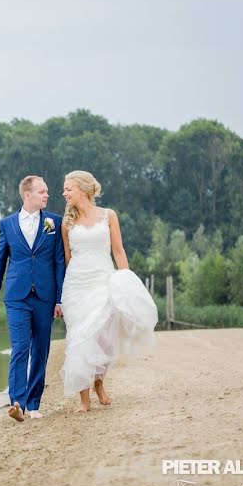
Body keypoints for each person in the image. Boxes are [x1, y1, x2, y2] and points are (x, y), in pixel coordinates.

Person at [58, 170, 158, 413]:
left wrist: (126, 281)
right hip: (77, 286)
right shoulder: (66, 223)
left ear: (82, 189)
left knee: (104, 339)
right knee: (79, 337)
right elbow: (68, 258)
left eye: (68, 189)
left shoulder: (109, 215)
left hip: (104, 280)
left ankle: (99, 384)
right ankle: (84, 399)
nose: (64, 193)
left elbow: (119, 250)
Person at [0, 175, 65, 422]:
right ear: (27, 194)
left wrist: (60, 298)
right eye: (42, 191)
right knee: (20, 347)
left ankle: (33, 403)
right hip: (17, 296)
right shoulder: (8, 224)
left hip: (45, 296)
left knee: (40, 350)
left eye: (47, 191)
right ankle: (17, 403)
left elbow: (59, 262)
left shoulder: (54, 222)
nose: (47, 195)